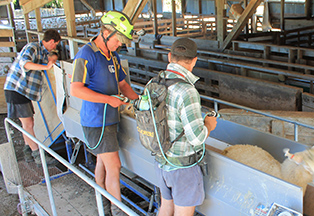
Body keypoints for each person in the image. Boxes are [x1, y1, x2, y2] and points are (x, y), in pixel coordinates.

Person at [70, 11, 139, 215]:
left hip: (110, 119)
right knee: (115, 166)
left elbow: (123, 84)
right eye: (118, 40)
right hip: (96, 121)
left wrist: (140, 102)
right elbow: (75, 89)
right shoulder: (86, 55)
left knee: (103, 162)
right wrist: (109, 99)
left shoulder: (113, 56)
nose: (120, 45)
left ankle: (103, 203)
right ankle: (119, 211)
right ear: (106, 33)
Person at [154, 38, 218, 216]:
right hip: (182, 166)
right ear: (195, 61)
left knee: (166, 207)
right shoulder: (187, 91)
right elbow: (196, 137)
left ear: (169, 57)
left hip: (162, 160)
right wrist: (208, 125)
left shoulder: (155, 83)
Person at [4, 29, 61, 167]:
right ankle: (38, 156)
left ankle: (28, 151)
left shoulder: (42, 52)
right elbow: (25, 63)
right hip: (16, 89)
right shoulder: (32, 47)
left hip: (22, 91)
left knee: (28, 123)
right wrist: (45, 67)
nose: (55, 47)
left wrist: (52, 60)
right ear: (51, 41)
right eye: (55, 45)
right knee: (28, 124)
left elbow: (51, 57)